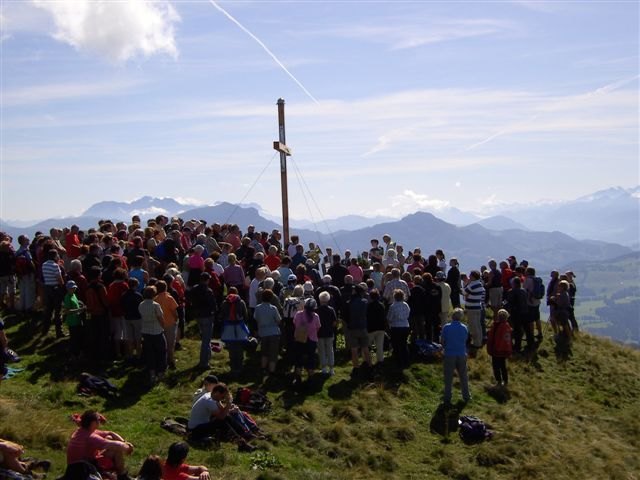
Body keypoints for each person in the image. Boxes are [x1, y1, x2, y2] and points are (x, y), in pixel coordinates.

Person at [66, 410, 134, 480]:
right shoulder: (90, 436)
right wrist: (128, 447)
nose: (100, 421)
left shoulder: (83, 430)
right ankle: (122, 476)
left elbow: (110, 433)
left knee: (110, 439)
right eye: (98, 420)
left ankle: (121, 475)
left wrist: (124, 442)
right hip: (82, 470)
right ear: (93, 423)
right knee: (116, 449)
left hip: (78, 465)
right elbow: (111, 444)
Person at [441, 308, 471, 405]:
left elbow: (443, 341)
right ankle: (466, 396)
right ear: (461, 317)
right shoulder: (464, 327)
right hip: (461, 353)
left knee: (448, 377)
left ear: (452, 316)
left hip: (449, 354)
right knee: (463, 376)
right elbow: (466, 340)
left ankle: (447, 397)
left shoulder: (446, 327)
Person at [188, 272, 217, 370]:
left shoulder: (194, 289)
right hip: (207, 316)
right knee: (206, 340)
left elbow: (190, 298)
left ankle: (207, 356)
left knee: (205, 337)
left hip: (198, 315)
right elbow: (213, 304)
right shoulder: (208, 291)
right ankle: (204, 362)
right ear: (207, 280)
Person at [138, 286, 167, 385]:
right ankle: (161, 373)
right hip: (156, 331)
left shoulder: (141, 305)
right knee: (161, 352)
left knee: (150, 354)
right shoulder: (155, 305)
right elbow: (160, 318)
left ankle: (152, 374)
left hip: (146, 331)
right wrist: (164, 327)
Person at [219, 287, 249, 375]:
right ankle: (239, 367)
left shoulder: (224, 303)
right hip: (239, 327)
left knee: (231, 348)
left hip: (229, 327)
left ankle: (233, 368)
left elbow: (221, 315)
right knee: (239, 347)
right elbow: (245, 315)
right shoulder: (241, 302)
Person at [292, 297, 322, 382]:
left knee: (298, 358)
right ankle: (311, 377)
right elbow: (318, 327)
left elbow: (295, 323)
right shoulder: (315, 316)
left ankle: (298, 377)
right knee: (311, 358)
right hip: (311, 340)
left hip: (299, 339)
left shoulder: (298, 314)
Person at [254, 289, 281, 375]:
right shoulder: (273, 308)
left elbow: (256, 318)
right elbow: (278, 320)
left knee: (264, 352)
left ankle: (263, 368)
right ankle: (272, 372)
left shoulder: (257, 308)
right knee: (273, 353)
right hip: (273, 332)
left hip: (263, 332)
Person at [486, 309, 513, 386]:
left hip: (496, 350)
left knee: (496, 366)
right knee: (503, 366)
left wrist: (489, 348)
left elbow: (491, 338)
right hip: (505, 350)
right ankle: (505, 380)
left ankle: (498, 380)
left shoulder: (495, 326)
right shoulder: (508, 327)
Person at [387, 289, 411, 368]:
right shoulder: (406, 305)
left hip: (396, 327)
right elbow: (408, 314)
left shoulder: (393, 306)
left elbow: (389, 318)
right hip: (405, 326)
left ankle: (398, 361)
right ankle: (406, 361)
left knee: (396, 344)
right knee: (404, 344)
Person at [63, 280, 85, 360]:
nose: (73, 289)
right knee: (74, 339)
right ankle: (74, 355)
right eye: (72, 288)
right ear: (68, 289)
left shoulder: (74, 295)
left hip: (78, 320)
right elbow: (67, 311)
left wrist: (80, 303)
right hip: (72, 322)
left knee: (79, 338)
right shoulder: (67, 297)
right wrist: (79, 310)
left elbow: (76, 304)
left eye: (74, 288)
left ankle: (78, 354)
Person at [463, 270, 485, 353]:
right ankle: (479, 341)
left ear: (473, 276)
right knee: (478, 325)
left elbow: (464, 292)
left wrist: (466, 283)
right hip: (477, 306)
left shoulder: (472, 285)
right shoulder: (479, 284)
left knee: (473, 326)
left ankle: (476, 343)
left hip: (471, 307)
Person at [317, 291, 337, 375]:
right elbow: (335, 322)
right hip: (329, 332)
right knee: (330, 350)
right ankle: (331, 369)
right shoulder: (331, 309)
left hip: (320, 333)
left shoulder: (317, 310)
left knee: (322, 350)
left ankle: (324, 368)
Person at [366, 289, 386, 367]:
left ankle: (366, 360)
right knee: (379, 345)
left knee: (367, 345)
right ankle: (380, 360)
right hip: (381, 328)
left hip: (371, 328)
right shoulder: (381, 305)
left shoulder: (368, 306)